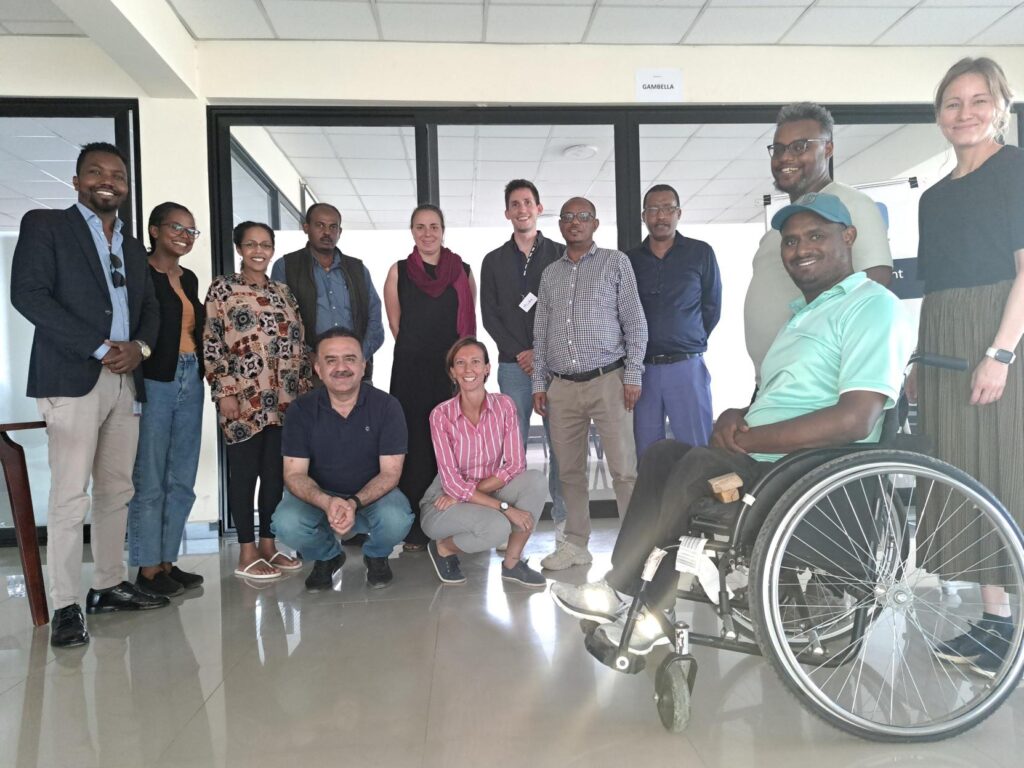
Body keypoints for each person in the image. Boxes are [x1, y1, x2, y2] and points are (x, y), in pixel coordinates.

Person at [551, 193, 912, 658]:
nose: (800, 248)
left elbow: (856, 418)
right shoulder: (805, 315)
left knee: (699, 464)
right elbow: (782, 399)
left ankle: (638, 600)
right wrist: (737, 416)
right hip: (762, 454)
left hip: (802, 470)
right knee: (661, 453)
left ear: (849, 238)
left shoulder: (872, 306)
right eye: (791, 240)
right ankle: (622, 592)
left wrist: (752, 438)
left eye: (815, 236)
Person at [11, 141, 168, 648]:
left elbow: (151, 309)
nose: (109, 180)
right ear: (76, 182)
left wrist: (139, 348)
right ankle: (64, 604)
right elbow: (28, 295)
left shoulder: (131, 246)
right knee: (69, 494)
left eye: (118, 175)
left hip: (126, 378)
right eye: (96, 173)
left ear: (126, 186)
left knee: (116, 489)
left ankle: (107, 583)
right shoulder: (47, 227)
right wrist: (99, 346)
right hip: (73, 376)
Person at [915, 57, 1024, 679]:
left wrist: (1001, 352)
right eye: (953, 103)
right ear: (939, 116)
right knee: (966, 471)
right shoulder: (934, 197)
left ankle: (1009, 623)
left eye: (979, 100)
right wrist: (920, 362)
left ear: (1000, 107)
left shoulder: (1015, 171)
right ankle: (996, 619)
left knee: (1004, 465)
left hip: (995, 335)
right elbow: (937, 287)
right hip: (945, 337)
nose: (965, 113)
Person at [532, 197, 648, 571]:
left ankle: (634, 548)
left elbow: (635, 322)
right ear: (561, 225)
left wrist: (632, 374)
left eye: (583, 217)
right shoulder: (551, 274)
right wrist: (539, 382)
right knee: (568, 472)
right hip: (562, 388)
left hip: (608, 381)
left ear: (595, 224)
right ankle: (576, 544)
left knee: (623, 470)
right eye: (568, 217)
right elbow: (541, 331)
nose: (575, 222)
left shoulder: (616, 263)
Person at [744, 102, 893, 381]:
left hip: (819, 383)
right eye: (779, 148)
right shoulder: (778, 227)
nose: (786, 157)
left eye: (800, 146)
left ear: (828, 149)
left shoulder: (852, 205)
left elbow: (876, 283)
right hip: (776, 383)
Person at [203, 220, 311, 581]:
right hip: (244, 399)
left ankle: (268, 544)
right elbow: (213, 342)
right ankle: (246, 550)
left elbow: (299, 342)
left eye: (265, 244)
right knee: (245, 473)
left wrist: (304, 392)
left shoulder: (284, 292)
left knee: (275, 476)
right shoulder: (223, 289)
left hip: (285, 399)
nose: (259, 251)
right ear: (239, 249)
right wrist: (225, 391)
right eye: (251, 244)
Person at [272, 329, 413, 590]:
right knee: (286, 523)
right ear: (318, 368)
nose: (341, 367)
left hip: (371, 495)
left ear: (363, 366)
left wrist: (352, 502)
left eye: (350, 359)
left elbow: (391, 473)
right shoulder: (300, 410)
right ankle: (328, 556)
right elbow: (294, 475)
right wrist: (327, 502)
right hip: (319, 496)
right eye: (331, 360)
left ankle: (376, 555)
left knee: (398, 518)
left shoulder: (387, 406)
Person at [383, 204, 476, 551]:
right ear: (412, 232)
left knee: (452, 446)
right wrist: (419, 353)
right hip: (410, 370)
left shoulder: (463, 271)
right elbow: (397, 325)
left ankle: (453, 524)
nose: (427, 233)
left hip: (451, 372)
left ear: (443, 230)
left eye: (433, 226)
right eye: (420, 227)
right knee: (416, 444)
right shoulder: (399, 271)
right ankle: (415, 532)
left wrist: (459, 369)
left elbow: (467, 326)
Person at [480, 179, 567, 542]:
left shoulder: (561, 254)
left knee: (561, 445)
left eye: (527, 202)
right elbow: (489, 316)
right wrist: (522, 352)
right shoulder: (493, 261)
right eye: (514, 204)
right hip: (512, 368)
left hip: (557, 367)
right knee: (510, 452)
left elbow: (566, 312)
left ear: (538, 207)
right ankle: (508, 526)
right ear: (507, 212)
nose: (521, 209)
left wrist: (541, 354)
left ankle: (565, 524)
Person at [421, 337, 547, 587]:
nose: (469, 370)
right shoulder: (441, 415)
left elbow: (514, 465)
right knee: (497, 527)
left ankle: (512, 564)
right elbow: (452, 483)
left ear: (487, 368)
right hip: (443, 501)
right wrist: (505, 508)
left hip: (483, 488)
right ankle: (443, 548)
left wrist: (468, 493)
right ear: (452, 372)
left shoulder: (504, 406)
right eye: (461, 363)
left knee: (535, 480)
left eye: (476, 362)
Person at [127, 202, 206, 597]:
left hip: (192, 376)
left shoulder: (187, 277)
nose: (184, 235)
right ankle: (146, 568)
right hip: (156, 379)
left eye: (191, 230)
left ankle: (167, 562)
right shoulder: (138, 273)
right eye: (176, 227)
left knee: (182, 478)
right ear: (154, 230)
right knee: (151, 477)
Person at [628, 184, 721, 457]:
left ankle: (698, 501)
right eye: (654, 210)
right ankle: (653, 500)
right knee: (647, 453)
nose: (661, 216)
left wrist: (687, 336)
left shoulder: (700, 252)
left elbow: (711, 306)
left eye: (667, 208)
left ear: (678, 213)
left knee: (698, 450)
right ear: (644, 216)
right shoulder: (629, 260)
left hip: (687, 367)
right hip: (641, 372)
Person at [270, 202, 384, 377]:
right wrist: (311, 358)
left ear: (340, 232)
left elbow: (374, 317)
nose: (327, 232)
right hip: (308, 372)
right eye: (320, 225)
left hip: (355, 373)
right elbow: (280, 320)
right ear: (306, 228)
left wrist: (359, 356)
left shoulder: (358, 269)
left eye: (333, 227)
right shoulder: (287, 266)